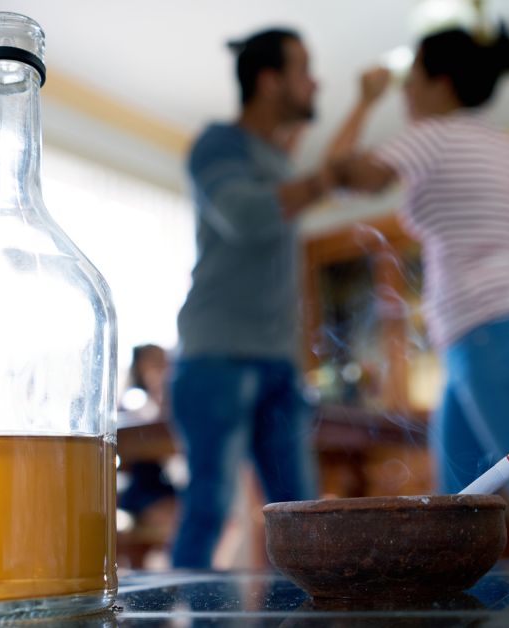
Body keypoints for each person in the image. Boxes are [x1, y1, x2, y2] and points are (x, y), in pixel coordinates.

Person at [327, 27, 509, 558]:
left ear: (439, 83)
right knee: (454, 510)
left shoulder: (432, 135)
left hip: (491, 342)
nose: (405, 94)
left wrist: (364, 102)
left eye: (409, 81)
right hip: (489, 346)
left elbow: (345, 175)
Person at [169, 27, 329, 569]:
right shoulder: (219, 143)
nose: (316, 82)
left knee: (302, 520)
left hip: (277, 362)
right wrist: (327, 179)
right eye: (304, 69)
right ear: (268, 80)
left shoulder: (278, 160)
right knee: (209, 509)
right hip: (217, 357)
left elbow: (294, 187)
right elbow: (245, 214)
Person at [117, 344, 176, 519]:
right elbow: (149, 427)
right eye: (155, 361)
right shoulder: (134, 398)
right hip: (142, 490)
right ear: (140, 365)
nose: (163, 366)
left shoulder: (162, 399)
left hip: (161, 485)